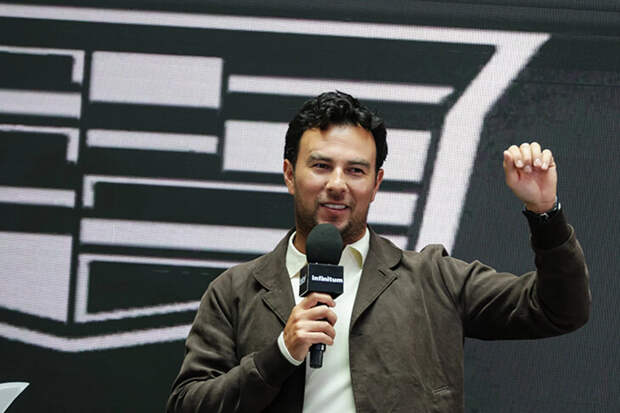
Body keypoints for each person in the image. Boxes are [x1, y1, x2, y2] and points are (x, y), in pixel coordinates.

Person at [167, 91, 590, 413]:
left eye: (356, 170)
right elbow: (188, 404)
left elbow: (559, 309)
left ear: (376, 184)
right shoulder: (236, 291)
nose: (337, 184)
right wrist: (279, 354)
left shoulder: (433, 279)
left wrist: (545, 212)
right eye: (321, 166)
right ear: (289, 174)